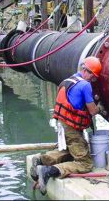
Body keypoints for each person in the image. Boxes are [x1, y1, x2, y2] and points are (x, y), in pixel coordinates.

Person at [30, 56, 102, 195]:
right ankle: (48, 170)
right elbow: (92, 111)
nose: (93, 80)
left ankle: (41, 160)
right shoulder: (85, 85)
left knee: (71, 152)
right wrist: (101, 108)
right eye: (93, 77)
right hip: (71, 127)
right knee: (85, 163)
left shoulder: (71, 79)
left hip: (62, 123)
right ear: (89, 72)